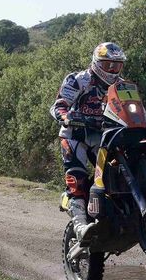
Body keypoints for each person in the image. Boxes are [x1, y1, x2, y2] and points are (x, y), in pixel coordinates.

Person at [49, 42, 127, 242]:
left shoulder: (122, 85)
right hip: (75, 135)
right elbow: (58, 105)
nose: (112, 70)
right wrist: (66, 117)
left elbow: (130, 109)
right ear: (97, 62)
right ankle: (81, 226)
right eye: (108, 65)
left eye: (116, 66)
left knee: (118, 171)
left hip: (102, 138)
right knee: (78, 180)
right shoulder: (79, 80)